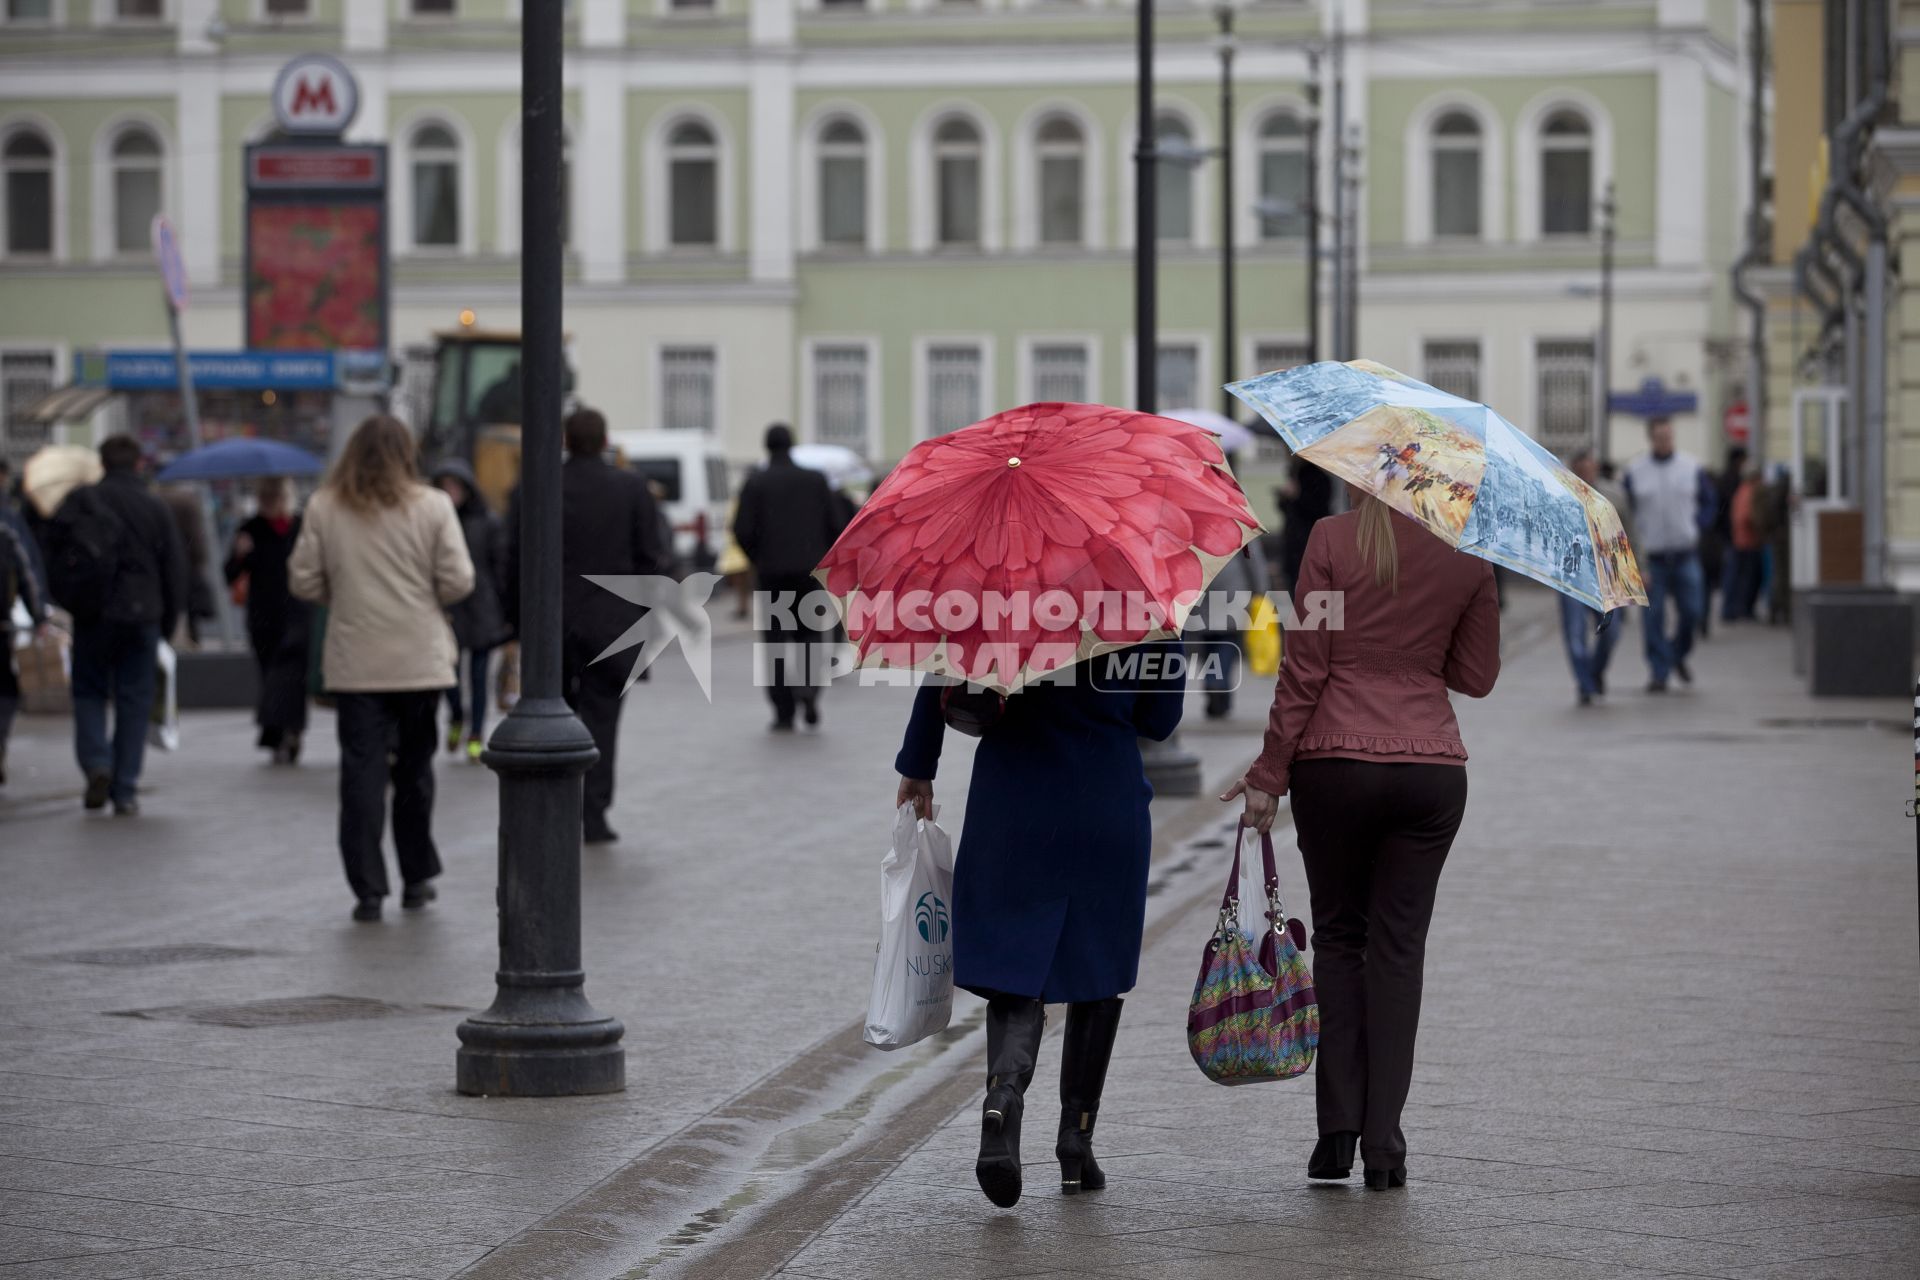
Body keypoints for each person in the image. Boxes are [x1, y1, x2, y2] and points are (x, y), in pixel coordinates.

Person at [1222, 494, 1499, 1190]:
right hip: (1430, 774)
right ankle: (1385, 1146)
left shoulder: (1332, 539)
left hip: (1335, 768)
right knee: (1399, 951)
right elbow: (1477, 677)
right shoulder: (1470, 554)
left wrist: (1269, 770)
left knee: (1341, 938)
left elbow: (1305, 667)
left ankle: (1335, 1135)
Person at [895, 641, 1187, 1208]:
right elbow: (1159, 719)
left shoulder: (999, 583)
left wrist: (918, 764)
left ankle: (1003, 1095)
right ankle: (1076, 1141)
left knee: (1016, 964)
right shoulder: (1140, 595)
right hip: (1104, 800)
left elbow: (945, 669)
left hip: (1014, 800)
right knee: (1099, 965)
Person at [289, 416, 474, 922]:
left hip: (356, 663)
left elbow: (303, 580)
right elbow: (458, 580)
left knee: (361, 774)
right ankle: (416, 878)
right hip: (420, 660)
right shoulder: (433, 506)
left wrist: (342, 596)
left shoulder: (325, 507)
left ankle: (368, 888)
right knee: (415, 772)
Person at [505, 407, 668, 845]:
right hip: (613, 624)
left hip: (550, 623)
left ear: (564, 440)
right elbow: (652, 557)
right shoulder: (631, 488)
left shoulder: (535, 489)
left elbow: (514, 558)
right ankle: (593, 813)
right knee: (603, 721)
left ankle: (553, 809)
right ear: (604, 440)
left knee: (549, 716)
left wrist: (514, 622)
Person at [45, 435, 187, 816]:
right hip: (142, 616)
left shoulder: (83, 501)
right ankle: (124, 789)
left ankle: (96, 764)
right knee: (133, 700)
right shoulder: (153, 507)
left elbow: (51, 552)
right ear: (139, 464)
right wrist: (167, 620)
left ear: (102, 463)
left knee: (89, 691)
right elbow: (173, 568)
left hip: (93, 615)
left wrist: (69, 600)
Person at [732, 424, 848, 731]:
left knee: (775, 644)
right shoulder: (815, 480)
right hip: (809, 571)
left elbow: (742, 529)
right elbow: (836, 525)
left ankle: (783, 711)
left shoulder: (756, 482)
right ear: (791, 445)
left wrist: (759, 558)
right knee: (809, 637)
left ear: (766, 447)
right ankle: (809, 691)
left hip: (772, 573)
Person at [1622, 417, 1715, 692]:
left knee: (1693, 612)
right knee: (1653, 618)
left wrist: (1697, 526)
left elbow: (1709, 502)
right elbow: (1625, 512)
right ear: (1651, 438)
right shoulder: (1635, 472)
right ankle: (1659, 672)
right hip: (1652, 558)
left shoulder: (1691, 468)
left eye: (1669, 436)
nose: (1665, 441)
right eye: (1659, 437)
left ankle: (1676, 654)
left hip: (1685, 553)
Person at [223, 477, 311, 764]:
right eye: (266, 495)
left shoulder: (302, 527)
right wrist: (239, 554)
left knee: (290, 676)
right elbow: (230, 575)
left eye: (276, 495)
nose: (271, 501)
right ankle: (276, 733)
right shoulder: (251, 529)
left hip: (298, 613)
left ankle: (291, 730)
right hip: (263, 617)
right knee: (269, 675)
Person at [430, 459, 511, 763]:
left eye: (454, 486)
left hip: (480, 606)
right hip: (448, 605)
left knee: (479, 677)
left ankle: (475, 734)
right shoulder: (434, 520)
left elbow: (499, 565)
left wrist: (503, 609)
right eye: (444, 486)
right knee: (448, 675)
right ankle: (456, 716)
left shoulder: (486, 522)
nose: (450, 492)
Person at [1560, 450, 1631, 706]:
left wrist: (1633, 570)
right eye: (1580, 469)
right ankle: (1585, 685)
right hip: (1572, 576)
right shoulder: (1561, 497)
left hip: (1606, 577)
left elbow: (1628, 534)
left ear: (1596, 468)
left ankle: (1595, 671)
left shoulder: (1613, 497)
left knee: (1611, 632)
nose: (1585, 474)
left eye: (1588, 468)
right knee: (1575, 635)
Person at [0, 513, 47, 786]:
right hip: (1, 625)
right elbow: (27, 569)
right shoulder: (7, 524)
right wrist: (39, 615)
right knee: (5, 688)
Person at [1275, 454, 1333, 593]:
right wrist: (1285, 498)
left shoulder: (1315, 476)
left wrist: (1297, 496)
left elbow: (1318, 508)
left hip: (1307, 538)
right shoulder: (1295, 474)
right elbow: (1287, 509)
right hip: (1294, 539)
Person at [1721, 465, 1764, 622]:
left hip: (1741, 539)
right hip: (1747, 541)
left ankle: (1734, 609)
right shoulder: (1749, 493)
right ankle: (1740, 609)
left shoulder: (1742, 491)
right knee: (1746, 577)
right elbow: (1745, 517)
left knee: (1739, 576)